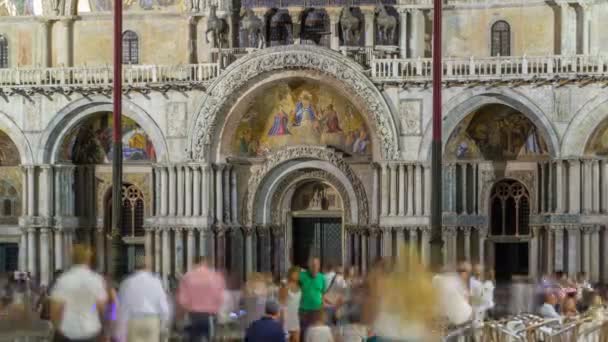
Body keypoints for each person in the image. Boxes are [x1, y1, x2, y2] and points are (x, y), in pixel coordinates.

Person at [50, 244, 108, 342]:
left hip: (68, 331)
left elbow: (55, 310)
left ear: (72, 258)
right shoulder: (96, 279)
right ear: (88, 259)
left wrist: (58, 329)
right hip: (91, 330)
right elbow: (102, 309)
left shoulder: (64, 280)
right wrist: (104, 330)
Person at [115, 254, 170, 342]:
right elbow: (163, 306)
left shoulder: (127, 282)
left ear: (135, 266)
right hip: (152, 321)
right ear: (148, 266)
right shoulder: (156, 282)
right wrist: (164, 324)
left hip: (134, 321)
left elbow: (122, 307)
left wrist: (119, 330)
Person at [176, 255, 225, 342]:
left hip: (193, 315)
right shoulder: (216, 277)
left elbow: (182, 300)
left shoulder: (187, 277)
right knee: (209, 337)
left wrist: (183, 312)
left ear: (194, 264)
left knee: (193, 338)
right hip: (210, 316)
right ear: (207, 263)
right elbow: (220, 298)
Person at [299, 257, 325, 341]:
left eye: (316, 265)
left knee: (316, 336)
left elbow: (323, 294)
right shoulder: (301, 276)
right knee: (304, 334)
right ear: (309, 266)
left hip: (317, 311)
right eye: (313, 265)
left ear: (319, 266)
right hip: (304, 311)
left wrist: (322, 309)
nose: (314, 267)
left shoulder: (322, 278)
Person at [279, 267, 301, 342]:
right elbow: (281, 302)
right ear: (290, 273)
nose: (297, 275)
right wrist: (282, 318)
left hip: (296, 318)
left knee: (296, 339)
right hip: (286, 318)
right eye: (296, 273)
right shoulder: (285, 286)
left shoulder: (300, 287)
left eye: (298, 273)